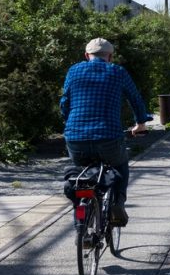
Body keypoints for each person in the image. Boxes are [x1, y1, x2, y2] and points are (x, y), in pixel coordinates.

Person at [60, 37, 151, 226]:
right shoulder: (117, 71)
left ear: (87, 55)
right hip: (108, 137)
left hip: (76, 138)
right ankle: (117, 202)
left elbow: (65, 103)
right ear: (110, 56)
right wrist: (140, 123)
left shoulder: (74, 71)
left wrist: (70, 122)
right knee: (120, 166)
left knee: (81, 176)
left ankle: (81, 221)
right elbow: (135, 98)